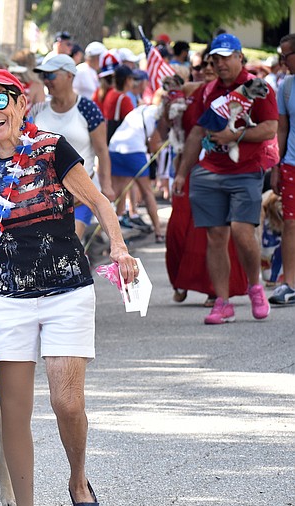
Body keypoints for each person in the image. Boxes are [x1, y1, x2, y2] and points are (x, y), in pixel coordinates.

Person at [0, 69, 135, 506]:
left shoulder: (52, 147)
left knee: (66, 403)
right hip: (8, 298)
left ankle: (78, 481)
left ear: (21, 103)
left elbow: (99, 202)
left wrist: (119, 249)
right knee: (14, 412)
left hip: (66, 291)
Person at [172, 33, 277, 324]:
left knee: (243, 232)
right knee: (215, 236)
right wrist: (182, 173)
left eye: (225, 57)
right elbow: (196, 132)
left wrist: (236, 135)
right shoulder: (209, 91)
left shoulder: (258, 87)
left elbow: (269, 128)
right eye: (214, 59)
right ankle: (222, 302)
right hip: (209, 171)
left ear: (239, 57)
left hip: (246, 170)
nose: (219, 64)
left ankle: (255, 287)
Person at [163, 48, 248, 306]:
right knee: (177, 228)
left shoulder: (229, 94)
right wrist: (170, 109)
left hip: (217, 166)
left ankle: (215, 288)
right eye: (202, 66)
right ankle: (180, 281)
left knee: (212, 231)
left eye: (214, 65)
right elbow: (172, 131)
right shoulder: (190, 91)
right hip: (188, 167)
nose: (207, 70)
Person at [31, 54, 114, 240]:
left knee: (70, 243)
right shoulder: (37, 110)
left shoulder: (87, 109)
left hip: (80, 196)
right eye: (43, 76)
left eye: (51, 75)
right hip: (43, 198)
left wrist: (107, 185)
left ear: (69, 75)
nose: (46, 81)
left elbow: (102, 150)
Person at [108, 103, 166, 240]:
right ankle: (158, 231)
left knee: (115, 193)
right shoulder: (161, 117)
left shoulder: (144, 109)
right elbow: (153, 146)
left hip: (115, 146)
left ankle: (107, 233)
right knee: (147, 192)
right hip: (134, 150)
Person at [269, 33, 295, 305]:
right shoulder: (286, 86)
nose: (282, 61)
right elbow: (282, 129)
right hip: (291, 164)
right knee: (290, 224)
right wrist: (276, 166)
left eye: (286, 55)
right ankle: (289, 283)